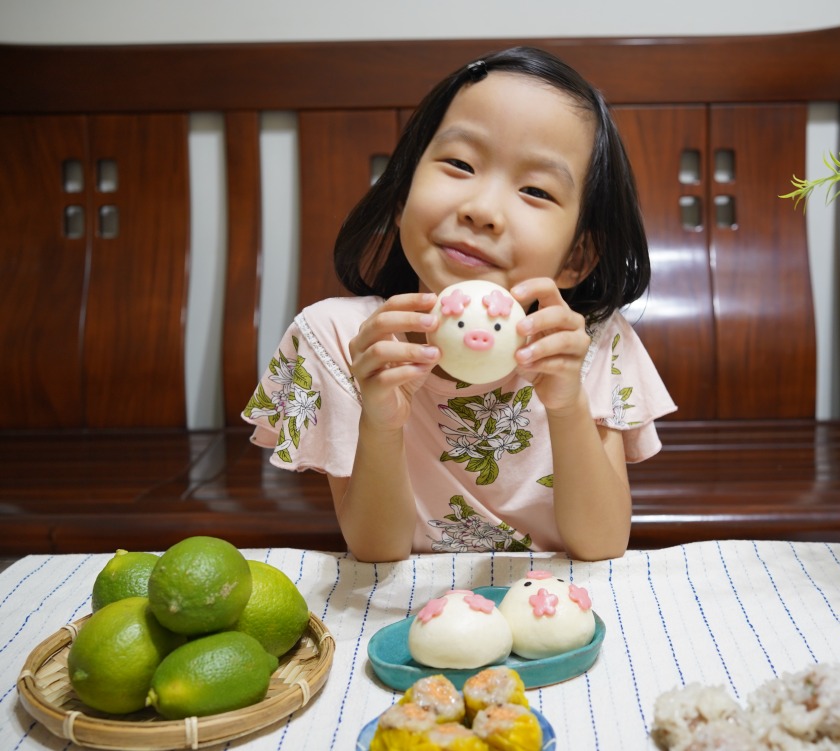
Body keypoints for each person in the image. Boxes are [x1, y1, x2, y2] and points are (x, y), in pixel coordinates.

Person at [243, 47, 676, 562]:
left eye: (535, 190)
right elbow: (377, 549)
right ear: (402, 193)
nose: (482, 210)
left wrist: (567, 406)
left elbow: (603, 544)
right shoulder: (343, 339)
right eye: (459, 163)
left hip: (555, 607)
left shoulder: (588, 342)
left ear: (577, 257)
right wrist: (381, 424)